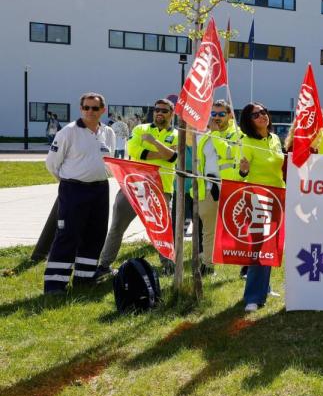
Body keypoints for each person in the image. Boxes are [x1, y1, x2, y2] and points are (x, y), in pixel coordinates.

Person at [42, 93, 115, 294]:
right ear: (81, 109)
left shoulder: (108, 132)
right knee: (68, 235)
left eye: (94, 108)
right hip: (74, 189)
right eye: (86, 108)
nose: (89, 112)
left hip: (100, 189)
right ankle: (55, 284)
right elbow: (52, 164)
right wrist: (69, 182)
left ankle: (84, 278)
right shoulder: (68, 132)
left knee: (95, 234)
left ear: (103, 110)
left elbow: (110, 161)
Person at [98, 98, 179, 276]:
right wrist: (164, 153)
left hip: (161, 190)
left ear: (171, 114)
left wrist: (153, 142)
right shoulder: (140, 129)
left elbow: (173, 158)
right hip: (133, 186)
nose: (159, 113)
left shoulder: (177, 134)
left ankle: (168, 266)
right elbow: (135, 151)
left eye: (164, 110)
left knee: (162, 229)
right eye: (157, 109)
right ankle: (104, 266)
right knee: (117, 227)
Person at [238, 102, 286, 312]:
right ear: (248, 121)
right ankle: (253, 297)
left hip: (278, 197)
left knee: (271, 246)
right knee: (259, 247)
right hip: (258, 199)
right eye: (255, 114)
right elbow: (240, 173)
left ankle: (264, 288)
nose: (261, 116)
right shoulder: (246, 141)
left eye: (264, 112)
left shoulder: (275, 138)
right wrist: (243, 171)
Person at [195, 100, 242, 274]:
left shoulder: (238, 135)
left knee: (239, 231)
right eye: (213, 114)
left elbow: (230, 153)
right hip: (208, 189)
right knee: (208, 231)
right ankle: (208, 265)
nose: (216, 118)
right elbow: (201, 164)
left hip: (231, 190)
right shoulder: (205, 136)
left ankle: (245, 267)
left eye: (221, 114)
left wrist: (215, 135)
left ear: (230, 115)